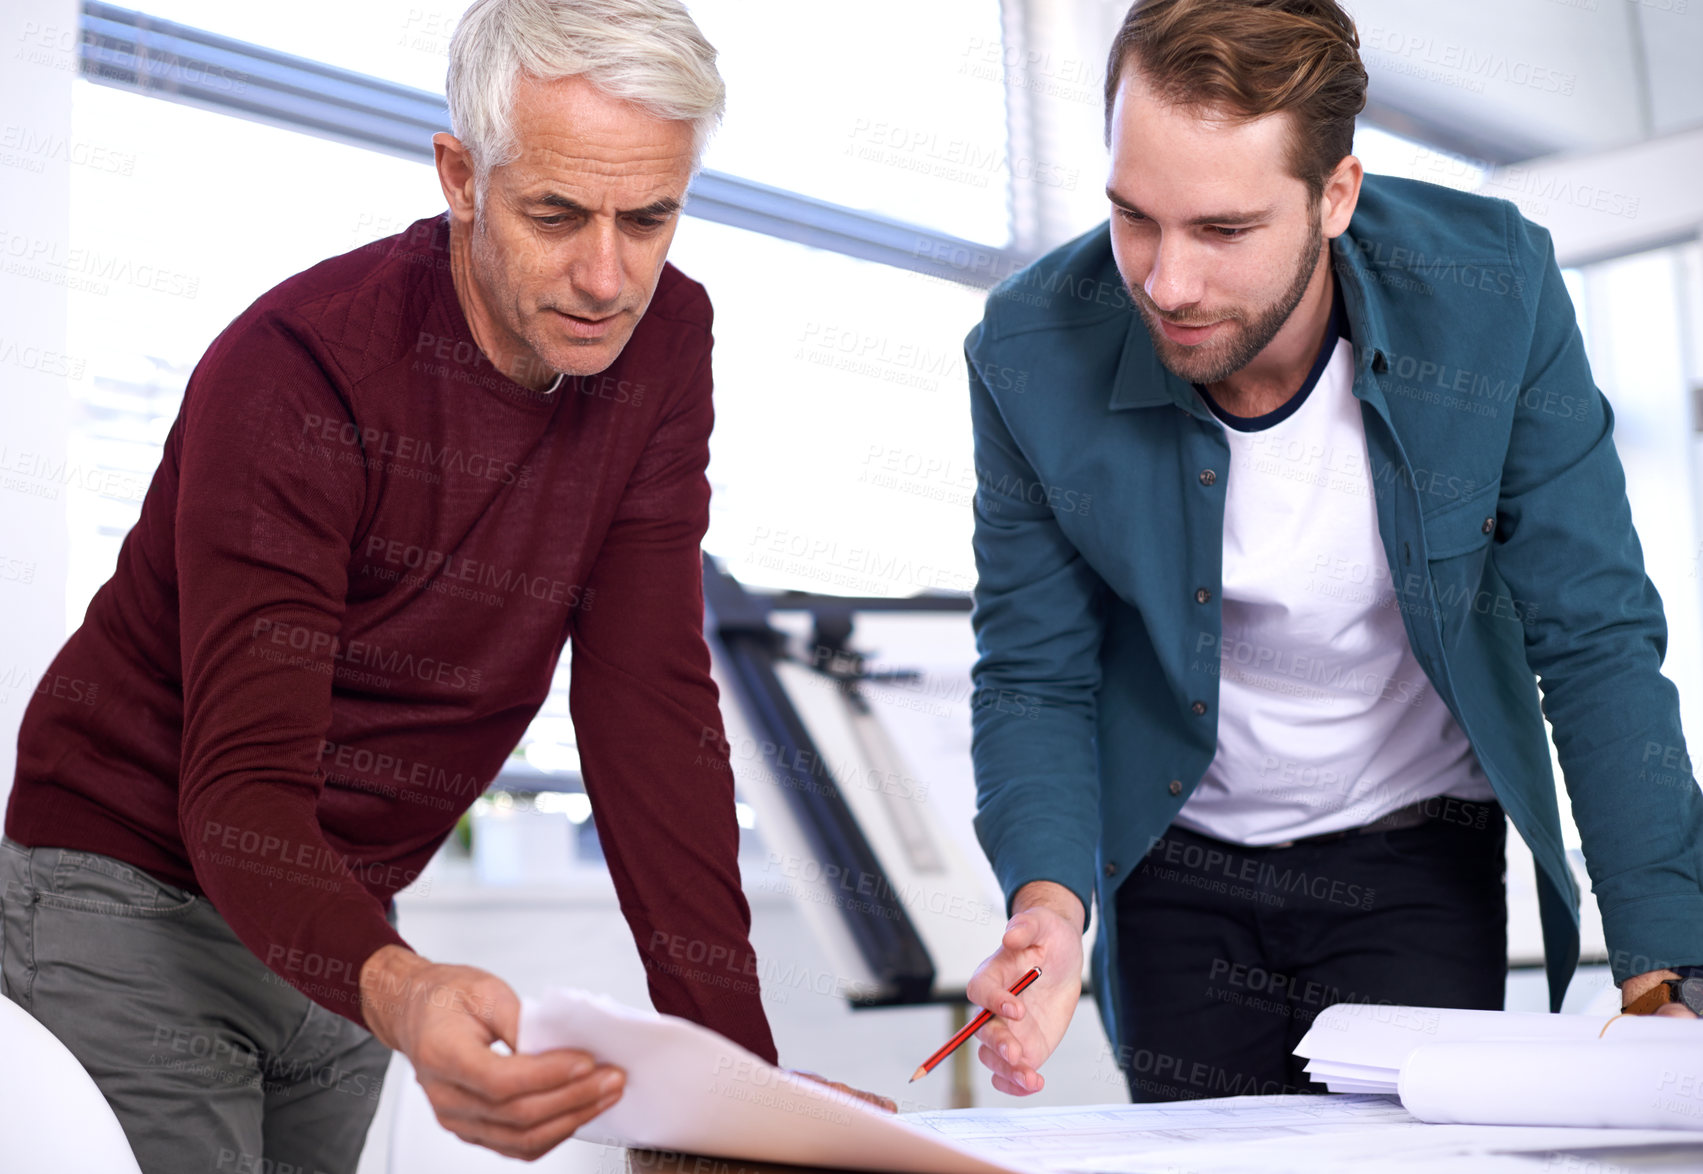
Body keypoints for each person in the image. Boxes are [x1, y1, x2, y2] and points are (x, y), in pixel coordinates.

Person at [2, 2, 885, 1168]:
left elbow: (647, 709)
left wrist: (738, 1088)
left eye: (651, 217)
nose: (605, 275)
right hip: (126, 886)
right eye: (555, 213)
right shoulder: (300, 370)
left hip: (343, 914)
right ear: (461, 177)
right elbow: (241, 783)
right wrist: (403, 988)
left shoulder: (663, 341)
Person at [960, 0, 1703, 1104]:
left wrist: (1663, 966)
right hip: (1177, 862)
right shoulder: (1024, 350)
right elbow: (1032, 672)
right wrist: (1048, 907)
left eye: (1220, 230)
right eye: (1132, 217)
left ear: (1334, 197)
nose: (1163, 282)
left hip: (1412, 856)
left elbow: (1589, 634)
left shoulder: (1493, 293)